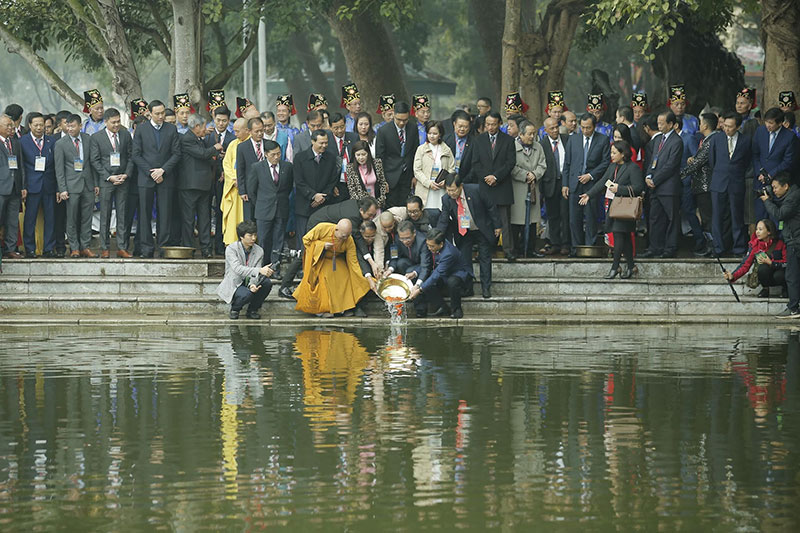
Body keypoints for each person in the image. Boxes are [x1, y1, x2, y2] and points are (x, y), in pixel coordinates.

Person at [579, 140, 644, 278]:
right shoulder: (612, 167)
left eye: (615, 153)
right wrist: (589, 194)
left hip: (626, 207)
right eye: (611, 152)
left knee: (619, 235)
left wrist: (619, 189)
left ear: (623, 153)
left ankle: (615, 267)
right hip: (614, 207)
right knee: (624, 238)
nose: (612, 155)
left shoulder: (633, 168)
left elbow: (638, 187)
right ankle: (631, 266)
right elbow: (603, 182)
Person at [438, 172, 501, 298]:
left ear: (460, 186)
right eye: (448, 190)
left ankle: (486, 287)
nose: (451, 193)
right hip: (464, 232)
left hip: (481, 229)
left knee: (484, 258)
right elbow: (444, 219)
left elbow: (491, 207)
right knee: (465, 260)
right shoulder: (446, 199)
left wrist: (497, 225)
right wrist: (438, 235)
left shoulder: (476, 190)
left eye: (453, 190)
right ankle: (468, 288)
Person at [131, 99, 181, 258]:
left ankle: (163, 247)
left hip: (166, 177)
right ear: (149, 113)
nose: (161, 116)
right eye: (157, 113)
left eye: (163, 113)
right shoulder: (141, 129)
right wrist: (151, 172)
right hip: (146, 178)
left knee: (165, 214)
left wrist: (163, 170)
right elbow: (136, 155)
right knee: (144, 214)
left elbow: (176, 154)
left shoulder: (171, 130)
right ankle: (146, 248)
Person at [293, 219, 371, 317]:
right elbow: (306, 240)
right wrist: (322, 246)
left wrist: (364, 278)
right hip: (320, 259)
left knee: (345, 276)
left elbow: (353, 261)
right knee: (326, 277)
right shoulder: (322, 228)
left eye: (347, 235)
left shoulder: (348, 239)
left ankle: (344, 308)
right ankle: (325, 309)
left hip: (336, 259)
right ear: (336, 229)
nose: (345, 238)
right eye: (343, 236)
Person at [561, 114, 611, 256]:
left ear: (594, 127)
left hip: (592, 185)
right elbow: (567, 163)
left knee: (591, 216)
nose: (585, 130)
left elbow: (606, 162)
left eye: (588, 128)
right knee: (574, 218)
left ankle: (590, 247)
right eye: (582, 127)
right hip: (574, 184)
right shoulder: (573, 139)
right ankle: (576, 248)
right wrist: (565, 184)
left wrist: (591, 175)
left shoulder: (603, 140)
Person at [471, 111, 517, 260]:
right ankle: (486, 250)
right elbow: (475, 163)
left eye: (493, 124)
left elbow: (510, 162)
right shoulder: (478, 140)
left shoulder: (508, 140)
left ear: (499, 124)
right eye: (488, 124)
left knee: (505, 220)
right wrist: (486, 177)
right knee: (486, 220)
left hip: (502, 185)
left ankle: (508, 250)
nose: (490, 127)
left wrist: (496, 176)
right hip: (485, 186)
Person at [90, 107, 134, 258]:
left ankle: (122, 247)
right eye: (113, 122)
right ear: (106, 122)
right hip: (107, 181)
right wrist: (108, 177)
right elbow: (95, 161)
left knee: (122, 214)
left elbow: (130, 156)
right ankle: (105, 247)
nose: (116, 125)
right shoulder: (97, 137)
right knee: (105, 215)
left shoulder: (125, 134)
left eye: (118, 122)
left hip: (123, 180)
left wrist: (126, 174)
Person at [708, 112, 752, 257]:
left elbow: (747, 162)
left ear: (738, 127)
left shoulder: (746, 141)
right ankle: (718, 248)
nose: (726, 129)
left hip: (736, 182)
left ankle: (739, 248)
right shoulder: (716, 138)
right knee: (717, 217)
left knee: (736, 216)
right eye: (724, 126)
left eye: (730, 127)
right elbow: (712, 161)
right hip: (718, 182)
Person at [641, 111, 684, 258]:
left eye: (661, 123)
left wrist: (655, 179)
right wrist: (648, 175)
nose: (658, 125)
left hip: (668, 187)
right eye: (658, 122)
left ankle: (670, 248)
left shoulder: (677, 141)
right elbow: (653, 159)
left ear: (671, 124)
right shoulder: (658, 139)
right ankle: (655, 247)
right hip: (655, 187)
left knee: (671, 218)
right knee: (655, 218)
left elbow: (671, 165)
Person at [179, 114, 223, 257]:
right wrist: (215, 148)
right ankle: (188, 248)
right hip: (190, 186)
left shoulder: (199, 139)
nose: (205, 129)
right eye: (203, 126)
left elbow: (207, 157)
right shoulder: (187, 139)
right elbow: (202, 154)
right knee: (189, 219)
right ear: (197, 126)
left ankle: (206, 249)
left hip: (204, 186)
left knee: (205, 219)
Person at [54, 114, 97, 257]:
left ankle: (85, 246)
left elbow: (92, 163)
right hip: (71, 187)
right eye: (68, 125)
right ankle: (74, 248)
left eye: (73, 126)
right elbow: (59, 170)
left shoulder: (88, 139)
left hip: (88, 184)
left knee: (87, 218)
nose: (70, 128)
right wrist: (62, 189)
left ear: (80, 126)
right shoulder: (61, 144)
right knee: (71, 218)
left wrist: (96, 184)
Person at [408, 228, 472, 319]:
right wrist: (415, 273)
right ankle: (442, 307)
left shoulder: (448, 253)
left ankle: (456, 310)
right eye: (428, 245)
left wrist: (419, 290)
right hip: (443, 274)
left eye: (432, 246)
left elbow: (437, 274)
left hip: (458, 275)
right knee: (426, 280)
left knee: (451, 281)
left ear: (441, 244)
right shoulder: (432, 246)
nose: (429, 248)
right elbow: (427, 263)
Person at [760, 173, 800, 318]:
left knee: (792, 276)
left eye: (776, 188)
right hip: (794, 240)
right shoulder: (792, 195)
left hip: (795, 241)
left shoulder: (793, 198)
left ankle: (794, 308)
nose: (774, 190)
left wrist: (767, 202)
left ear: (786, 186)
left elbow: (780, 214)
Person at [680, 112, 720, 257]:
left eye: (701, 122)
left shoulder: (711, 140)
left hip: (706, 184)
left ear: (706, 125)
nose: (698, 124)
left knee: (708, 217)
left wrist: (680, 175)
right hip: (701, 184)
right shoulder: (705, 140)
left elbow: (699, 162)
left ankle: (712, 246)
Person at [217, 220, 274, 320]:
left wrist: (252, 284)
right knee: (246, 294)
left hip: (250, 279)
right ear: (242, 236)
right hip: (235, 282)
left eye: (255, 235)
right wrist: (259, 270)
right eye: (250, 235)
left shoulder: (259, 250)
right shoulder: (231, 249)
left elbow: (256, 269)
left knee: (267, 283)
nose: (253, 238)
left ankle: (252, 310)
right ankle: (235, 309)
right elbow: (237, 269)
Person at [19, 112, 57, 257]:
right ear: (30, 125)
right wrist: (23, 186)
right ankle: (30, 249)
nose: (40, 128)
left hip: (49, 185)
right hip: (31, 186)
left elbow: (55, 165)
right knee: (30, 218)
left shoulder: (51, 141)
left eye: (42, 125)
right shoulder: (22, 142)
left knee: (50, 218)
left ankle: (48, 248)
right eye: (36, 125)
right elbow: (21, 166)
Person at [251, 139, 293, 269]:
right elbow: (252, 191)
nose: (276, 157)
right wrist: (261, 204)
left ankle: (276, 265)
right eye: (273, 154)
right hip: (263, 209)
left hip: (281, 208)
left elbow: (289, 187)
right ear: (266, 154)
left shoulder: (287, 167)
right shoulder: (257, 167)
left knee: (279, 239)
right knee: (263, 239)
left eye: (278, 154)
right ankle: (262, 266)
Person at [293, 129, 339, 243]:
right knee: (304, 239)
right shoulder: (300, 158)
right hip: (304, 205)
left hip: (324, 205)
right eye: (321, 143)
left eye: (326, 143)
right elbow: (299, 181)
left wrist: (322, 197)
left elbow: (332, 181)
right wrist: (313, 195)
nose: (324, 146)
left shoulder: (331, 158)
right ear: (312, 142)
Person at [724, 219, 787, 298]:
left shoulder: (780, 244)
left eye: (760, 229)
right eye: (756, 229)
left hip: (779, 272)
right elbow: (745, 265)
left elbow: (787, 263)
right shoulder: (755, 245)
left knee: (780, 275)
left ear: (769, 232)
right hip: (767, 273)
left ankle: (785, 288)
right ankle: (765, 288)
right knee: (762, 268)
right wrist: (733, 276)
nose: (757, 232)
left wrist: (772, 263)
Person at [511, 120, 547, 257]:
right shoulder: (512, 146)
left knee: (532, 221)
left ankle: (530, 249)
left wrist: (534, 174)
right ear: (521, 134)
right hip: (518, 188)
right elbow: (511, 166)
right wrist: (524, 175)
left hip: (533, 188)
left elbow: (542, 164)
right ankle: (516, 250)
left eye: (534, 134)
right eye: (529, 134)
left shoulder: (538, 147)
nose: (532, 137)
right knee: (516, 220)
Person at [752, 107, 795, 222]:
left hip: (778, 183)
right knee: (760, 217)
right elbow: (755, 154)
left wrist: (771, 174)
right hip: (760, 181)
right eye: (766, 121)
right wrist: (759, 172)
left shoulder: (789, 137)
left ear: (780, 123)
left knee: (776, 219)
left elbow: (788, 161)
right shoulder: (760, 131)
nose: (768, 125)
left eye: (771, 123)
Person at [375, 101, 419, 208]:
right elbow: (379, 157)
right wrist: (382, 180)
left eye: (405, 120)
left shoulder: (413, 128)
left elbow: (415, 153)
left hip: (407, 175)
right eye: (399, 119)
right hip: (390, 177)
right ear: (394, 115)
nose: (401, 123)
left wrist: (414, 175)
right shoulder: (383, 131)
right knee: (391, 207)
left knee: (405, 206)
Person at [539, 116, 569, 256]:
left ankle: (566, 243)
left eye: (556, 127)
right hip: (550, 184)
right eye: (552, 128)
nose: (555, 130)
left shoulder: (566, 139)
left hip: (564, 182)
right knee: (553, 215)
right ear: (545, 130)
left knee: (565, 214)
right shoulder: (542, 144)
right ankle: (555, 243)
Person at [206, 106, 234, 255]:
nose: (221, 123)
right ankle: (206, 247)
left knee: (221, 212)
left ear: (228, 121)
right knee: (205, 212)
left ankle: (220, 244)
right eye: (218, 120)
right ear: (214, 119)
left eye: (224, 121)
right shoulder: (207, 136)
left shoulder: (233, 138)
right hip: (207, 178)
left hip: (224, 180)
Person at [413, 121, 455, 212]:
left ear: (440, 134)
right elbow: (417, 170)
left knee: (442, 211)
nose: (432, 136)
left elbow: (452, 168)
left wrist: (446, 181)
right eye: (429, 133)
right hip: (425, 188)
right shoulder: (421, 149)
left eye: (435, 133)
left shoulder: (446, 149)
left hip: (441, 188)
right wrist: (428, 183)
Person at [221, 118, 249, 246]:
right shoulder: (233, 144)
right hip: (233, 187)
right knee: (233, 219)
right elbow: (226, 164)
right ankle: (231, 243)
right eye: (234, 131)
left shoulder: (252, 144)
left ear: (247, 130)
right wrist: (234, 179)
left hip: (246, 189)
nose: (235, 134)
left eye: (238, 131)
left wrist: (242, 181)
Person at [0, 114, 25, 258]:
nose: (11, 128)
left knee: (12, 220)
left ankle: (10, 249)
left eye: (11, 125)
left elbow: (20, 166)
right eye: (7, 125)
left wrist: (22, 186)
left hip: (15, 188)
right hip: (1, 188)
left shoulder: (15, 143)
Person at [236, 116, 267, 221]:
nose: (260, 134)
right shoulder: (242, 147)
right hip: (249, 190)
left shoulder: (269, 145)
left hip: (266, 189)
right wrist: (242, 191)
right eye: (257, 131)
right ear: (249, 131)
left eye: (262, 131)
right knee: (249, 220)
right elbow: (240, 170)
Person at [327, 112, 359, 201]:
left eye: (342, 126)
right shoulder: (327, 141)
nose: (340, 130)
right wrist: (331, 186)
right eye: (336, 128)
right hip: (337, 184)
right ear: (330, 127)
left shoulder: (354, 137)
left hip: (354, 183)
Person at [346, 140, 388, 207]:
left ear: (368, 153)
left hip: (378, 202)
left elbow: (382, 183)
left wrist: (379, 201)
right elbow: (352, 190)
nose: (361, 158)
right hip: (361, 204)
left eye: (363, 154)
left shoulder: (377, 163)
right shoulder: (350, 168)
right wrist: (366, 205)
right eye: (358, 155)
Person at [444, 109, 474, 183]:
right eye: (460, 126)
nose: (462, 129)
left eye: (465, 127)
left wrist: (464, 181)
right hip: (447, 181)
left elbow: (475, 165)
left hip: (466, 181)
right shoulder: (446, 139)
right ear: (454, 124)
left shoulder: (474, 142)